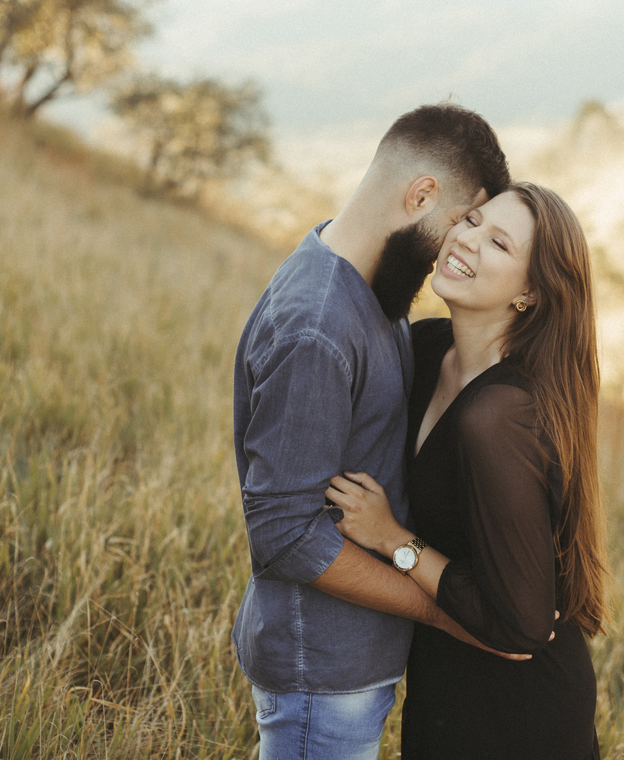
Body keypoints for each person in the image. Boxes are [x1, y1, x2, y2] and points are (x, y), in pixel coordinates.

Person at [232, 103, 513, 760]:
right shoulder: (318, 327)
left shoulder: (371, 288)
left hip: (348, 666)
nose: (457, 246)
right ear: (419, 195)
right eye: (460, 220)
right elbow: (284, 532)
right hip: (321, 674)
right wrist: (449, 612)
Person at [327, 182, 608, 759]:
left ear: (530, 293)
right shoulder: (428, 350)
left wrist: (394, 541)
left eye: (499, 243)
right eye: (473, 220)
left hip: (519, 708)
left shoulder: (501, 415)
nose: (467, 240)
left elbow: (523, 626)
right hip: (443, 677)